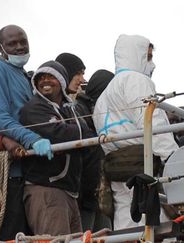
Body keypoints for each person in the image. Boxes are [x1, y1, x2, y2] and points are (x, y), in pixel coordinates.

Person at [93, 35, 178, 230]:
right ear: (136, 55)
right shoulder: (136, 80)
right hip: (143, 167)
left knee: (126, 223)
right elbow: (153, 124)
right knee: (155, 227)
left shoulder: (104, 96)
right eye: (147, 57)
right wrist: (174, 160)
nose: (152, 64)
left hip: (116, 169)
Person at [0, 24, 52, 240]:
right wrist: (32, 139)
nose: (19, 47)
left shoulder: (25, 75)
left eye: (23, 42)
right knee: (11, 234)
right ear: (1, 47)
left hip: (28, 170)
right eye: (12, 44)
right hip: (7, 174)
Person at [20, 60, 92, 235]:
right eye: (41, 78)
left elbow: (88, 136)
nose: (45, 81)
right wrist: (77, 131)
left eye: (51, 77)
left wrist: (75, 131)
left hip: (69, 191)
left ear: (61, 81)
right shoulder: (33, 108)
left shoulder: (69, 109)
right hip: (47, 190)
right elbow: (57, 133)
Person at [74, 70, 115, 231]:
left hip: (99, 190)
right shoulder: (79, 111)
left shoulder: (100, 112)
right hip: (86, 191)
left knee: (105, 234)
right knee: (87, 234)